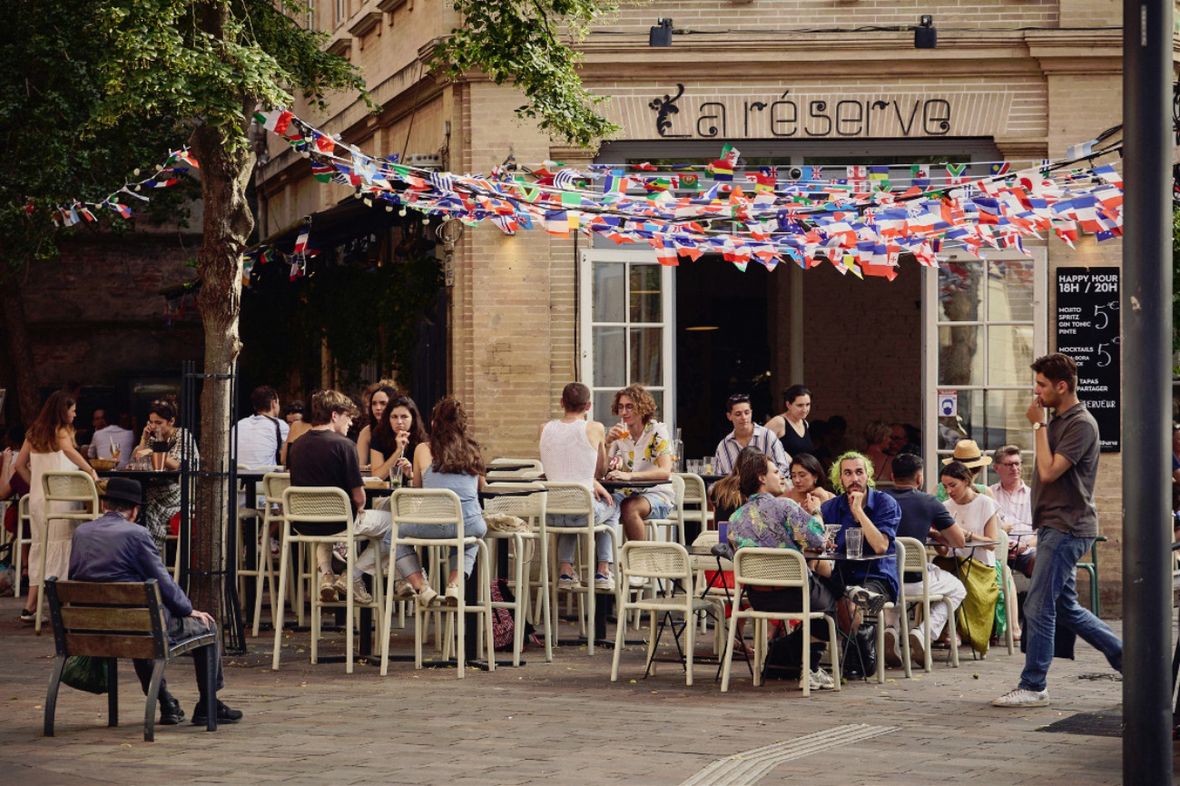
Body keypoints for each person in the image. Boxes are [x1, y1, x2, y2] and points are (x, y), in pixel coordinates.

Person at [993, 353, 1122, 708]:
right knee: (1066, 608)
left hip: (1068, 527)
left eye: (1042, 385)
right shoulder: (1060, 421)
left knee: (1038, 605)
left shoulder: (1081, 424)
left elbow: (1048, 472)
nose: (1036, 392)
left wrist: (1037, 426)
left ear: (1061, 386)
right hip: (1054, 525)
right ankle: (1130, 662)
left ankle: (1034, 685)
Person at [68, 478, 242, 726]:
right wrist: (189, 609)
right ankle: (207, 704)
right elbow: (163, 581)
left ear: (105, 504)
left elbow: (73, 577)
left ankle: (167, 703)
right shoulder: (137, 534)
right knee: (206, 627)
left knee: (140, 626)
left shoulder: (81, 532)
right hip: (137, 624)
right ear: (135, 510)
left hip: (94, 628)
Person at [726, 448, 835, 691]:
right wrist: (816, 511)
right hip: (795, 593)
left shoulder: (735, 518)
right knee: (832, 603)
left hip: (758, 597)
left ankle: (793, 662)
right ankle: (811, 668)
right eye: (776, 471)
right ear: (761, 478)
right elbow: (818, 540)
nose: (782, 476)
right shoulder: (785, 506)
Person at [286, 390, 392, 605]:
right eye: (348, 417)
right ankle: (352, 576)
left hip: (303, 523)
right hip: (340, 523)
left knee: (328, 524)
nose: (351, 423)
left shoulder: (296, 446)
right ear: (335, 415)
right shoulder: (344, 446)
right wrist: (359, 505)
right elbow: (359, 498)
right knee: (395, 525)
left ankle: (327, 575)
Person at [13, 391, 99, 623]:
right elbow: (69, 452)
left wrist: (38, 484)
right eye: (72, 409)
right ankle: (62, 605)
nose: (75, 413)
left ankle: (31, 605)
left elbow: (19, 465)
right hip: (62, 500)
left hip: (39, 499)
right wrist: (90, 470)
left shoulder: (34, 432)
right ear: (63, 411)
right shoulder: (61, 431)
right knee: (61, 547)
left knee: (41, 548)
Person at [396, 396, 488, 607]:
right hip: (468, 522)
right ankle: (454, 584)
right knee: (471, 538)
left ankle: (422, 587)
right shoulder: (473, 449)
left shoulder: (422, 449)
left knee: (393, 534)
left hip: (432, 523)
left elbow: (418, 489)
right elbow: (482, 486)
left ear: (434, 424)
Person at [881, 453, 966, 668]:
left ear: (892, 476)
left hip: (884, 581)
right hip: (916, 582)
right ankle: (924, 631)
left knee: (894, 573)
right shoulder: (929, 502)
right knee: (957, 588)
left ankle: (890, 628)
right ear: (919, 478)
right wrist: (936, 534)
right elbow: (959, 541)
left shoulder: (880, 499)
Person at [539, 382, 620, 590]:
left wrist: (589, 482)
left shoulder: (544, 429)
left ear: (561, 403)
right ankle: (603, 570)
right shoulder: (595, 428)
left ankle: (565, 571)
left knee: (569, 503)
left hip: (550, 512)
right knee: (614, 504)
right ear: (589, 406)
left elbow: (559, 468)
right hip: (583, 512)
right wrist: (594, 480)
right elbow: (601, 471)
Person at [820, 452, 898, 642]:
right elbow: (819, 545)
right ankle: (856, 653)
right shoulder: (829, 508)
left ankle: (855, 659)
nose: (854, 478)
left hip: (877, 576)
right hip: (840, 576)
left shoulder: (885, 503)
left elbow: (880, 547)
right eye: (847, 473)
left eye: (859, 472)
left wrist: (858, 511)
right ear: (840, 478)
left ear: (867, 475)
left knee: (853, 602)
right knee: (818, 597)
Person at [604, 384, 674, 556]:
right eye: (620, 407)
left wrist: (628, 476)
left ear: (642, 407)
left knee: (629, 507)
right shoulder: (621, 434)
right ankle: (604, 569)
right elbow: (602, 471)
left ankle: (639, 562)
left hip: (658, 494)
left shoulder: (657, 431)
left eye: (629, 406)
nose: (624, 412)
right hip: (628, 492)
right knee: (603, 505)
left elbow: (665, 471)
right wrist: (606, 444)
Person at [131, 399, 199, 554]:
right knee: (137, 500)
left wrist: (152, 452)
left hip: (180, 490)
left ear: (171, 421)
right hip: (157, 488)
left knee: (142, 504)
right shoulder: (153, 438)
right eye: (151, 422)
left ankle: (148, 552)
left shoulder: (183, 436)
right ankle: (144, 552)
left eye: (159, 422)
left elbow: (177, 465)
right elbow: (137, 462)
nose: (154, 426)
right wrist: (144, 439)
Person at [712, 393, 790, 477]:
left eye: (747, 412)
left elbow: (784, 468)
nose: (744, 417)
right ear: (729, 416)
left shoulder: (767, 436)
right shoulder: (723, 446)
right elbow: (718, 479)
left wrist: (766, 483)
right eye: (738, 414)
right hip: (735, 489)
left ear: (751, 413)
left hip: (767, 488)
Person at [991, 445, 1035, 578]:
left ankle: (1035, 599)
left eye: (1017, 463)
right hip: (995, 552)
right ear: (996, 468)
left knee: (1042, 562)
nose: (1015, 469)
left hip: (1025, 552)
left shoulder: (1034, 496)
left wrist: (1025, 545)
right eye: (1009, 464)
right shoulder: (989, 494)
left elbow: (1043, 533)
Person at [369, 395, 426, 484]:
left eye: (404, 417)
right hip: (384, 494)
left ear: (413, 419)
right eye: (394, 417)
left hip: (412, 494)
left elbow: (428, 479)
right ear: (388, 419)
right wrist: (398, 451)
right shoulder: (379, 436)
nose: (399, 422)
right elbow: (377, 477)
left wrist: (410, 474)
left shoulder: (422, 440)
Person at [234, 386, 289, 468]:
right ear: (274, 403)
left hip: (237, 478)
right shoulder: (280, 425)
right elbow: (287, 458)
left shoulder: (238, 425)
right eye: (278, 402)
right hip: (264, 478)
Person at [765, 384, 814, 459]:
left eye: (807, 404)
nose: (805, 409)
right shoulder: (779, 422)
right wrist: (781, 455)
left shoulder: (805, 423)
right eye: (800, 405)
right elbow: (759, 446)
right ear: (788, 405)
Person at [355, 385, 395, 472]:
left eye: (383, 403)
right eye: (374, 404)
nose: (378, 408)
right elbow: (358, 466)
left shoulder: (403, 428)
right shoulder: (367, 432)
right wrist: (368, 468)